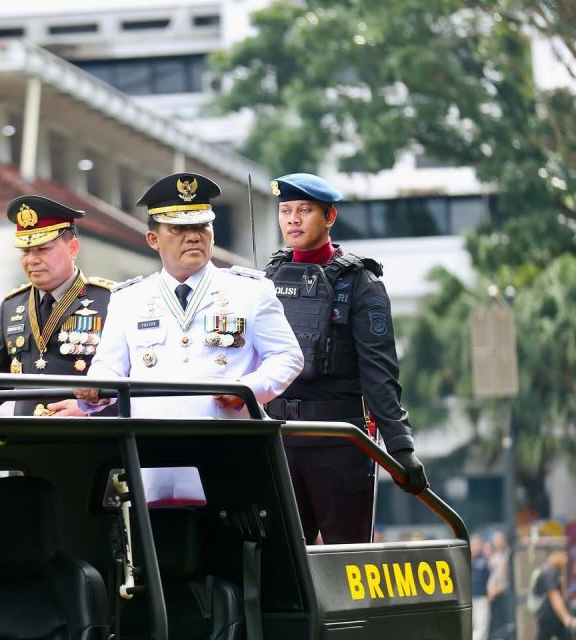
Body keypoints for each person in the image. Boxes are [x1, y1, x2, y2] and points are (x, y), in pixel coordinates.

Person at [52, 172, 303, 419]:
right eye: (178, 228)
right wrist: (96, 387)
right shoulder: (128, 299)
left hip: (228, 437)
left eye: (202, 226)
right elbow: (110, 366)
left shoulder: (251, 291)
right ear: (153, 239)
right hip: (152, 439)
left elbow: (287, 356)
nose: (193, 236)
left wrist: (248, 389)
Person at [262, 172, 427, 544]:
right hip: (279, 440)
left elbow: (379, 372)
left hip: (339, 443)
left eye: (304, 210)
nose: (293, 220)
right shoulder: (267, 279)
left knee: (348, 560)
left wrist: (400, 446)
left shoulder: (360, 282)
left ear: (330, 217)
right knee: (281, 561)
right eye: (286, 211)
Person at [0, 195, 115, 416]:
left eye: (42, 249)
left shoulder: (111, 300)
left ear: (73, 248)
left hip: (91, 432)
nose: (32, 260)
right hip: (27, 433)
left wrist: (88, 409)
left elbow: (133, 379)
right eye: (25, 251)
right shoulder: (11, 306)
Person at [532, 546, 576, 640]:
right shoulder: (549, 572)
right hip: (549, 615)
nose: (565, 558)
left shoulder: (556, 571)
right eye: (563, 555)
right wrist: (566, 618)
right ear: (554, 555)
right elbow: (554, 596)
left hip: (556, 616)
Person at [488, 531, 513, 640]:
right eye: (496, 543)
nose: (498, 545)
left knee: (508, 622)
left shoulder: (510, 555)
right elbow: (493, 576)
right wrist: (491, 589)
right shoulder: (494, 557)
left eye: (499, 542)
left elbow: (508, 578)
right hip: (496, 594)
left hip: (507, 593)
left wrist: (497, 590)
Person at [471, 534, 492, 640]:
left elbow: (490, 579)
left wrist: (489, 594)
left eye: (478, 544)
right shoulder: (464, 559)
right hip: (468, 599)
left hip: (482, 597)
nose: (476, 547)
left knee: (482, 626)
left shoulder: (484, 561)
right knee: (469, 625)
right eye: (474, 544)